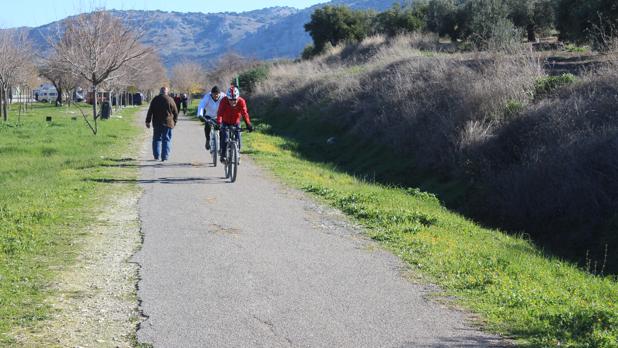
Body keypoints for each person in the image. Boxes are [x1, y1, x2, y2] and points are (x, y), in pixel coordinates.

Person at [216, 85, 253, 163]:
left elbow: (244, 113)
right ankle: (223, 155)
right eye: (231, 100)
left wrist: (248, 124)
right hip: (225, 122)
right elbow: (219, 113)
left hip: (236, 122)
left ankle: (237, 154)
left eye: (234, 99)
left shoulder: (241, 101)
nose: (233, 101)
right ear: (228, 98)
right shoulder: (224, 101)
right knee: (225, 138)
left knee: (238, 138)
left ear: (238, 97)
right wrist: (219, 123)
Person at [146, 87, 178, 161]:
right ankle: (164, 157)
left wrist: (148, 121)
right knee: (166, 140)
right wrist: (175, 122)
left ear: (160, 92)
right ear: (167, 92)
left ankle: (156, 156)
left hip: (157, 123)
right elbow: (175, 112)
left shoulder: (155, 99)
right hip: (168, 123)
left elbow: (150, 111)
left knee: (156, 139)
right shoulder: (170, 100)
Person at [197, 86, 226, 150]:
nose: (215, 96)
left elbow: (228, 105)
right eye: (214, 94)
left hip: (220, 116)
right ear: (211, 93)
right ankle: (207, 140)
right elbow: (201, 105)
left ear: (220, 93)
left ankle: (221, 145)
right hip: (209, 115)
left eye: (217, 94)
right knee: (207, 125)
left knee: (222, 129)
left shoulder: (223, 96)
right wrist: (200, 115)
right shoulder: (207, 97)